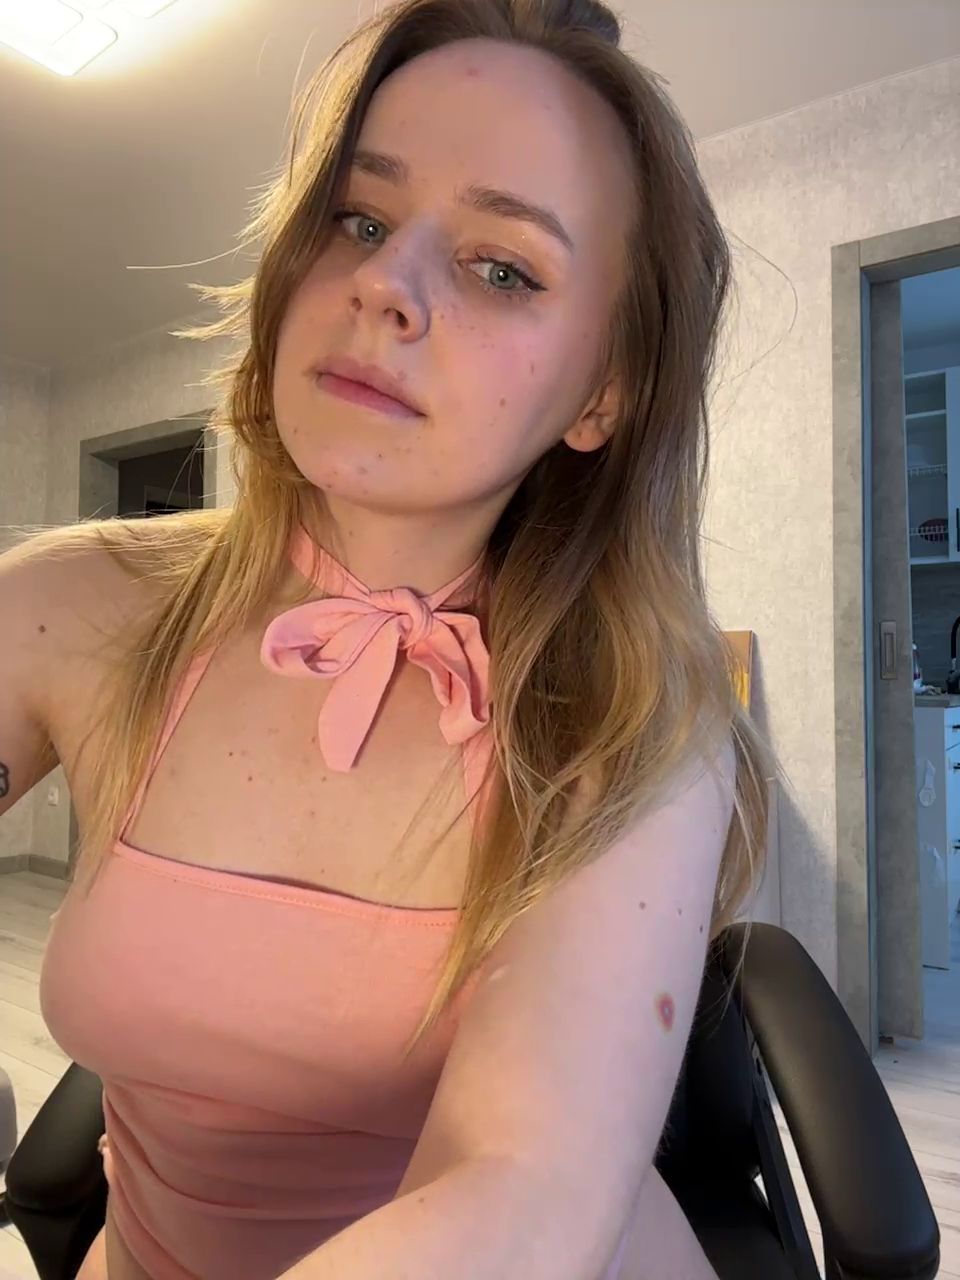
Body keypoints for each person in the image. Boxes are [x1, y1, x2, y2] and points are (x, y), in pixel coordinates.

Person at [0, 0, 778, 1276]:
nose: (384, 283)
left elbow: (520, 1191)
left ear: (602, 392)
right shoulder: (67, 603)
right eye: (361, 220)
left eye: (502, 267)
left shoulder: (638, 714)